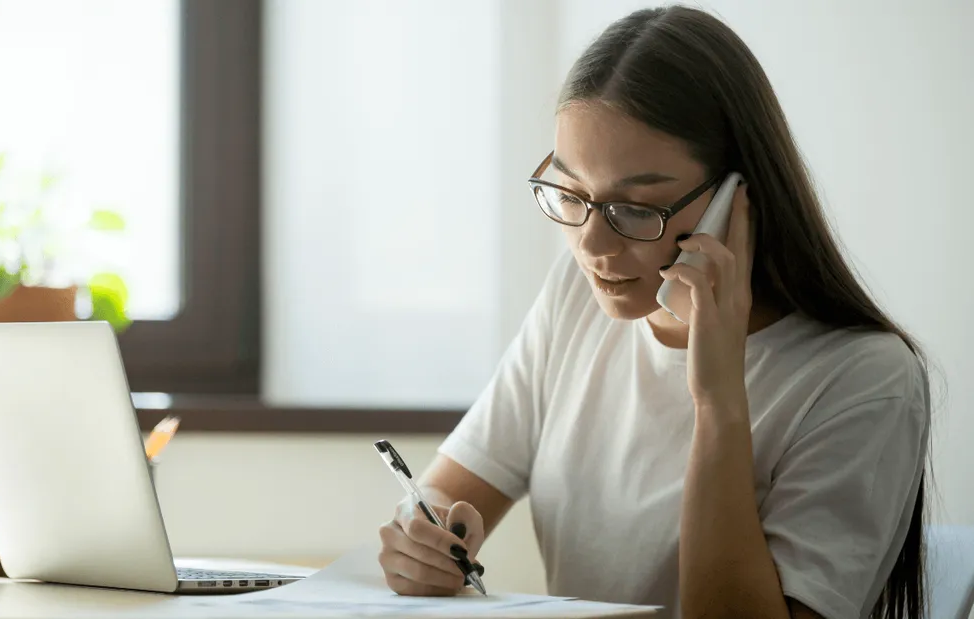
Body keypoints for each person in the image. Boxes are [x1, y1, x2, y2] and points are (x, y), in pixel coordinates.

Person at [375, 5, 930, 619]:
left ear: (734, 201)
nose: (592, 246)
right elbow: (443, 496)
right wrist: (419, 541)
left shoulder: (863, 379)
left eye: (637, 209)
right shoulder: (576, 295)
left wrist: (718, 401)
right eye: (571, 193)